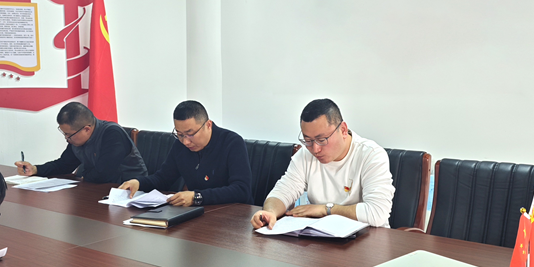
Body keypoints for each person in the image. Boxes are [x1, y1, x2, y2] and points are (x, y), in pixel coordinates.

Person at [251, 99, 394, 229]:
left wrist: (326, 209)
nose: (315, 149)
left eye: (322, 140)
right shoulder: (305, 154)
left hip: (369, 238)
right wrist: (270, 212)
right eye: (308, 140)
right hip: (323, 237)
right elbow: (283, 191)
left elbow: (377, 213)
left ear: (343, 130)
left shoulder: (371, 155)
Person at [118, 100, 252, 207]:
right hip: (199, 212)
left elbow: (241, 190)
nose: (186, 142)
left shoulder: (232, 142)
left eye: (190, 133)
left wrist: (196, 197)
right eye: (180, 134)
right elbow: (163, 179)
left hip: (233, 215)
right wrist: (138, 183)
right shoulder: (180, 145)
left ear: (208, 125)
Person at [15, 101, 147, 184]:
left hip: (127, 192)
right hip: (96, 191)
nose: (66, 138)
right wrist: (36, 169)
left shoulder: (112, 134)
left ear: (87, 129)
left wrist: (82, 176)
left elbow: (104, 174)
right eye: (64, 133)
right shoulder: (77, 139)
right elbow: (64, 164)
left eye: (68, 134)